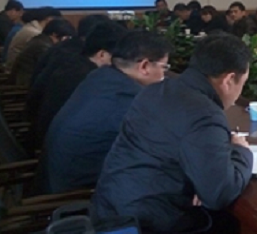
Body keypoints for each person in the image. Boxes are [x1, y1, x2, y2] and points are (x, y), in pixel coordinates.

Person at [93, 34, 253, 234]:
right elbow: (219, 193)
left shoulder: (154, 91)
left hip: (110, 210)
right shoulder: (205, 115)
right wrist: (241, 151)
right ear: (228, 79)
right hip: (147, 225)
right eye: (242, 83)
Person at [42, 31, 172, 193]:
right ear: (144, 66)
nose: (164, 75)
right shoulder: (129, 101)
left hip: (55, 176)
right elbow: (163, 151)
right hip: (79, 193)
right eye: (164, 67)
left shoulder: (101, 76)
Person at [29, 21, 127, 150]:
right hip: (53, 147)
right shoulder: (89, 78)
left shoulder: (74, 63)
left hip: (48, 139)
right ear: (102, 54)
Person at [10, 18, 75, 87]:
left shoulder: (39, 40)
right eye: (66, 38)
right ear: (54, 34)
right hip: (26, 84)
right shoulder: (43, 47)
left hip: (24, 80)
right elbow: (50, 70)